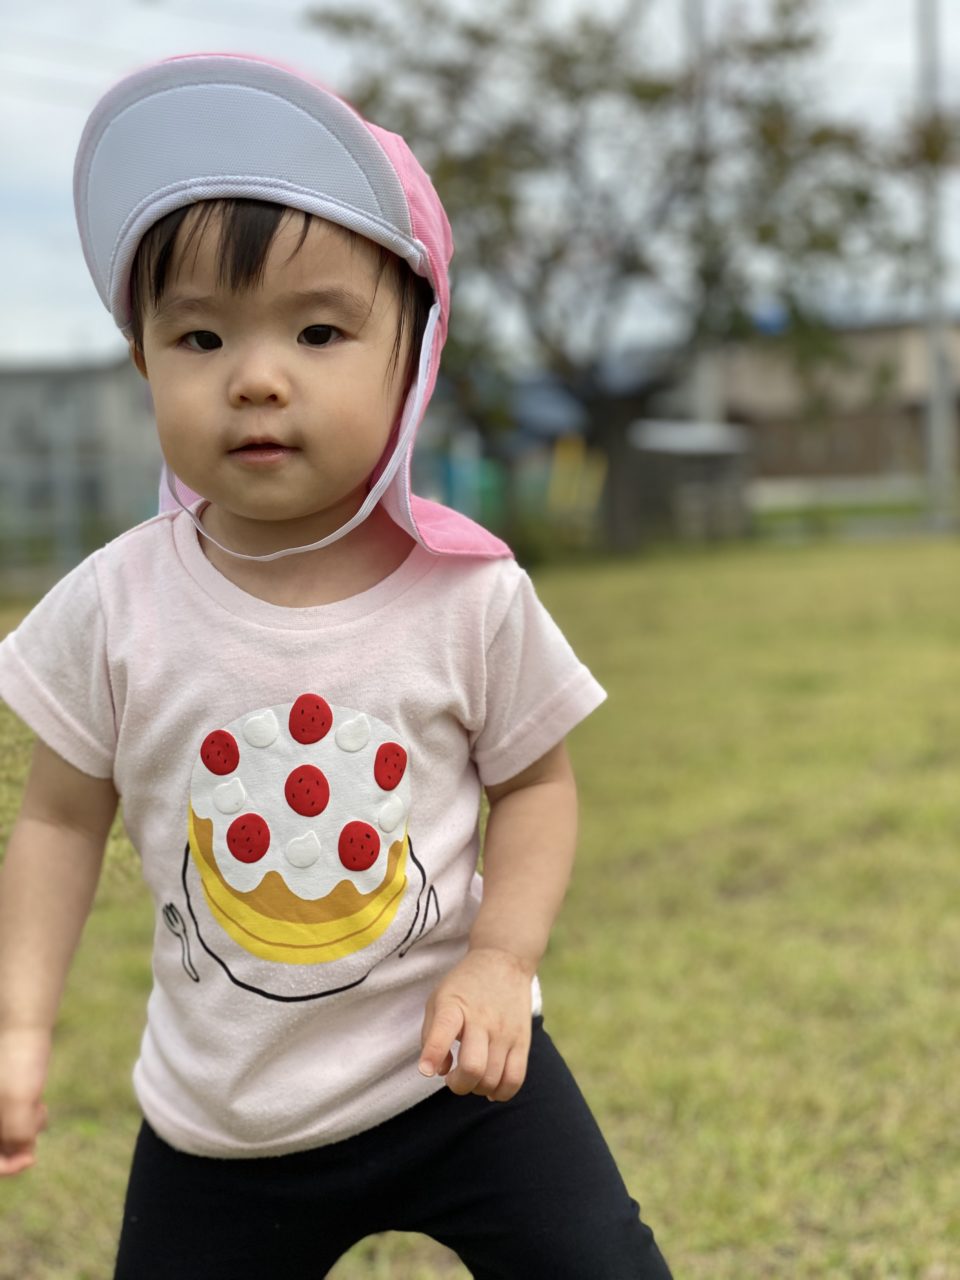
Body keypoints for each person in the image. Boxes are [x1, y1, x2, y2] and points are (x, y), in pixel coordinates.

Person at [0, 54, 672, 1279]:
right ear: (145, 361)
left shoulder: (470, 593)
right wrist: (17, 1027)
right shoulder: (112, 604)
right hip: (226, 1122)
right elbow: (56, 818)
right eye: (200, 334)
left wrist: (500, 959)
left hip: (462, 1076)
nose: (256, 375)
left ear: (413, 355)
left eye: (318, 330)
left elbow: (537, 784)